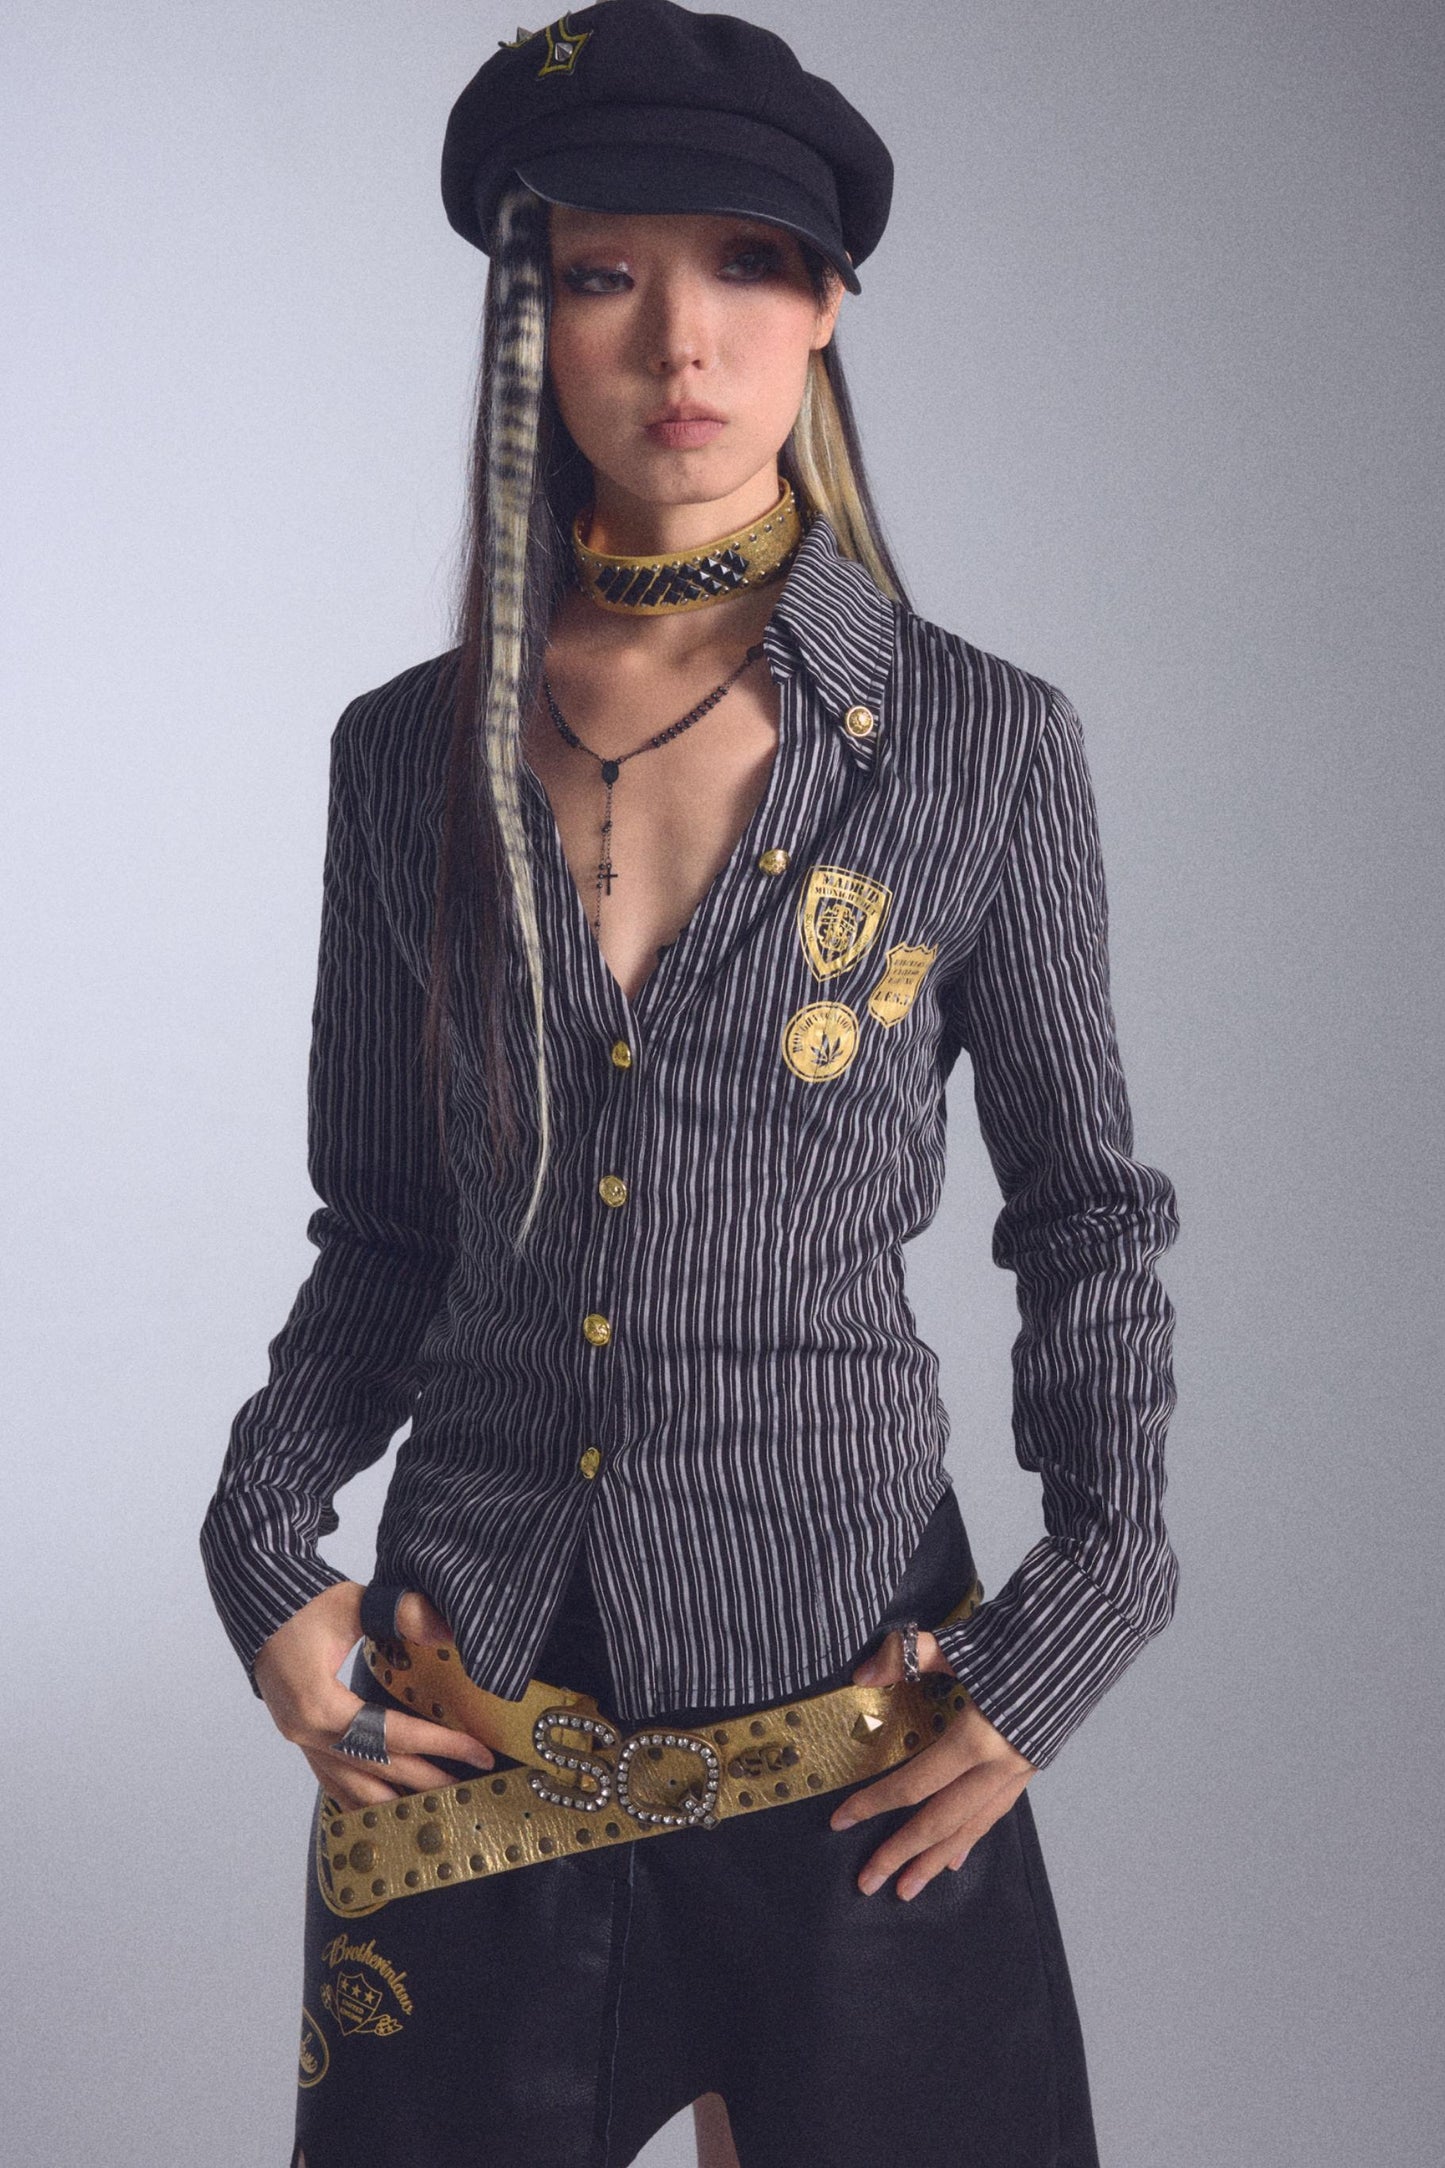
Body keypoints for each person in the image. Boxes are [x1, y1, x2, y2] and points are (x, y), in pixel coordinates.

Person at [200, 4, 1182, 2163]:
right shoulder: (403, 757)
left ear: (827, 302)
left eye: (744, 261)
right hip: (467, 1714)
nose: (680, 341)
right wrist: (261, 1541)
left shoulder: (979, 746)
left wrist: (1095, 1592)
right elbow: (384, 1228)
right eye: (602, 272)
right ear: (526, 323)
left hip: (860, 1707)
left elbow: (1086, 1211)